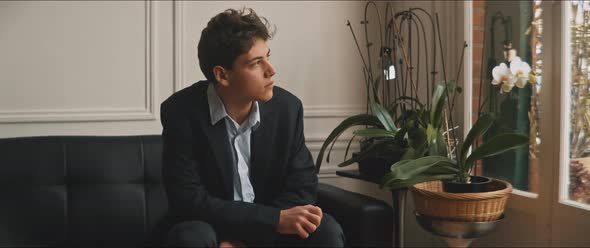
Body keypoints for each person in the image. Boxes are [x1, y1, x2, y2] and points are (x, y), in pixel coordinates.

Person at [159, 7, 345, 247]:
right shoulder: (181, 112)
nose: (271, 70)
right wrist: (270, 221)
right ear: (222, 75)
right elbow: (189, 200)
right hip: (211, 229)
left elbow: (302, 187)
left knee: (324, 230)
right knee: (192, 237)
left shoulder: (287, 108)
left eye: (268, 56)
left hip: (269, 230)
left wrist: (252, 238)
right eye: (256, 63)